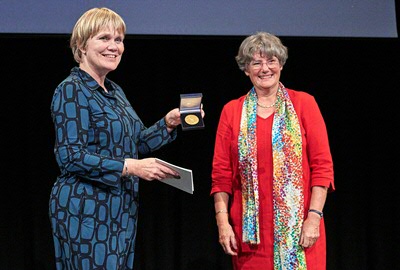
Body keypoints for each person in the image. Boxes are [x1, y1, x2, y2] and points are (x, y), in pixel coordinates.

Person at [49, 7, 204, 269]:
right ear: (81, 45)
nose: (114, 47)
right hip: (85, 207)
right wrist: (130, 167)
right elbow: (69, 156)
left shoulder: (114, 90)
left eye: (118, 40)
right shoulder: (71, 90)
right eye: (104, 38)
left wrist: (167, 124)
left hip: (120, 207)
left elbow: (137, 143)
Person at [210, 32, 335, 269]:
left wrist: (314, 217)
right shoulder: (231, 111)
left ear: (281, 65)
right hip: (250, 238)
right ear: (246, 69)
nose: (264, 68)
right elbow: (221, 175)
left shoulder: (304, 103)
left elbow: (322, 167)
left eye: (271, 61)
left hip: (300, 233)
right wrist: (223, 223)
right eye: (256, 62)